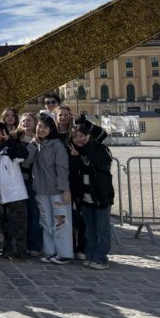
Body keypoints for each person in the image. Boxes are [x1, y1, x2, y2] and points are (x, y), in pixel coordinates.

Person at [27, 114, 73, 264]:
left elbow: (62, 169)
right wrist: (32, 145)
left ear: (51, 129)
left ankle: (64, 253)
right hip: (41, 190)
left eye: (45, 127)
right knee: (46, 222)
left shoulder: (57, 146)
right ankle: (50, 251)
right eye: (39, 126)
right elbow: (26, 162)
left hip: (57, 191)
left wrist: (65, 190)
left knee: (61, 222)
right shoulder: (37, 145)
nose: (41, 129)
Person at [68, 126, 115, 270]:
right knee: (89, 230)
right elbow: (74, 175)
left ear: (88, 136)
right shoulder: (76, 152)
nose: (79, 139)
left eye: (82, 135)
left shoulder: (99, 148)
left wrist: (88, 144)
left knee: (103, 229)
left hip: (101, 197)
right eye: (75, 136)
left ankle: (101, 258)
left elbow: (99, 163)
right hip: (86, 198)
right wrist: (75, 157)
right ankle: (91, 255)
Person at [0, 122, 29, 261]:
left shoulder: (10, 147)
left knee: (17, 225)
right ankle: (7, 250)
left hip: (15, 193)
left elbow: (24, 154)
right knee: (5, 225)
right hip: (0, 195)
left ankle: (18, 252)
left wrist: (10, 140)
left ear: (4, 132)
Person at [16, 113, 42, 257]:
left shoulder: (40, 139)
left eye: (29, 120)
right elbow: (24, 161)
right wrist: (32, 145)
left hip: (34, 181)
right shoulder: (16, 139)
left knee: (34, 213)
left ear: (35, 123)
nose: (26, 123)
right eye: (24, 120)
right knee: (19, 214)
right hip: (18, 180)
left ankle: (34, 245)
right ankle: (21, 244)